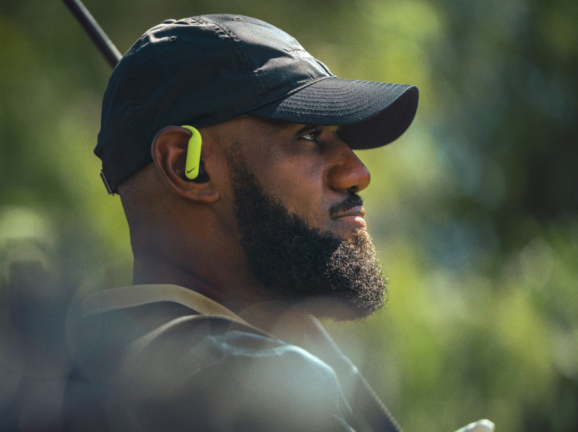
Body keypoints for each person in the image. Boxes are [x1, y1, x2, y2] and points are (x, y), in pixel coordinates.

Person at [70, 14, 491, 432]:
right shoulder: (251, 392)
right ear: (186, 167)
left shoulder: (70, 375)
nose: (357, 173)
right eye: (310, 136)